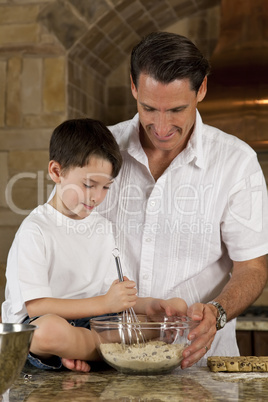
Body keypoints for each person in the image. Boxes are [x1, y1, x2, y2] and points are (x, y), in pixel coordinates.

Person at [97, 32, 268, 368]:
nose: (161, 127)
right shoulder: (97, 151)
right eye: (149, 108)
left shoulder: (237, 162)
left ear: (201, 89)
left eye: (176, 109)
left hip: (199, 368)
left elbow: (252, 268)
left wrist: (217, 312)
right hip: (106, 362)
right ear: (133, 86)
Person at [1, 118, 187, 372]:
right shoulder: (36, 230)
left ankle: (80, 351)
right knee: (46, 331)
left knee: (159, 318)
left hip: (92, 323)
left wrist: (151, 305)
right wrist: (105, 305)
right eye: (88, 184)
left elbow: (111, 300)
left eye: (105, 187)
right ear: (56, 172)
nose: (97, 197)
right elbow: (37, 306)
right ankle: (102, 352)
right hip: (37, 325)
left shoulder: (103, 227)